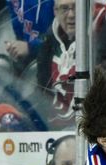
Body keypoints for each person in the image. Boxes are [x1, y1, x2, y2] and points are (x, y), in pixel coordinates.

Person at [35, 0, 77, 129]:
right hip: (53, 128)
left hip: (86, 128)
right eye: (64, 8)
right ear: (55, 12)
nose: (71, 15)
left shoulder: (99, 39)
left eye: (76, 8)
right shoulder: (48, 42)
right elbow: (42, 90)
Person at [2, 0, 55, 68]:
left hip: (51, 59)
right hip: (28, 58)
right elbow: (16, 23)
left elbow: (61, 35)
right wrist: (16, 47)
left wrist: (30, 47)